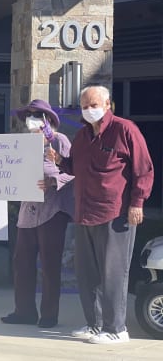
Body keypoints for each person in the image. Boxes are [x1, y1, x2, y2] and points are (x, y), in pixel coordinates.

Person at [48, 84, 154, 344]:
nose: (89, 110)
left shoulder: (125, 129)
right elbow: (75, 167)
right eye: (84, 106)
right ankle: (94, 324)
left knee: (113, 272)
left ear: (107, 105)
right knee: (87, 273)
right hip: (84, 211)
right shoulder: (83, 136)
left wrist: (137, 203)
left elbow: (144, 170)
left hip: (115, 213)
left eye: (94, 105)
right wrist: (60, 161)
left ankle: (117, 329)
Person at [0, 99, 75, 328]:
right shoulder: (21, 145)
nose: (32, 119)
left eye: (37, 115)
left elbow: (75, 172)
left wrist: (53, 181)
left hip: (52, 211)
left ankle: (49, 315)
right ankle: (24, 311)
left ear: (49, 119)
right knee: (22, 263)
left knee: (50, 265)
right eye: (29, 115)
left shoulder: (60, 141)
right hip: (27, 212)